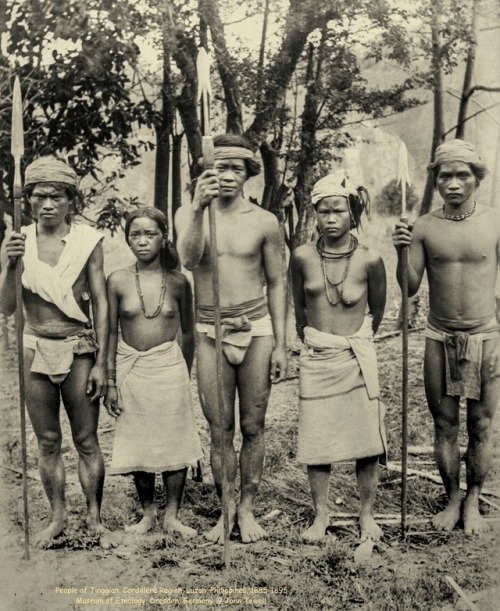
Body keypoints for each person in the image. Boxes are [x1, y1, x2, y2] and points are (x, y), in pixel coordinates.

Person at [175, 134, 287, 544]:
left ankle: (247, 510)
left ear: (248, 175)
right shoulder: (187, 213)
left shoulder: (264, 222)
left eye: (235, 169)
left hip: (256, 329)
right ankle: (224, 510)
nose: (226, 176)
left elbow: (277, 283)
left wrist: (281, 342)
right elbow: (189, 259)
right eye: (218, 167)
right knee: (219, 427)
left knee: (253, 425)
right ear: (206, 171)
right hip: (210, 330)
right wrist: (199, 209)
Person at [0, 156, 109, 548]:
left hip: (78, 346)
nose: (47, 204)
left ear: (70, 200)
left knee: (86, 439)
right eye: (38, 196)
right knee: (47, 441)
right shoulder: (17, 241)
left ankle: (94, 519)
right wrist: (11, 265)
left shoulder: (87, 241)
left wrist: (103, 363)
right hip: (35, 348)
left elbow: (100, 302)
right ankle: (58, 516)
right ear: (27, 200)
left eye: (56, 196)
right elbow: (8, 307)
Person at [393, 139, 500, 535]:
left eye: (462, 175)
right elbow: (409, 286)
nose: (453, 183)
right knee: (445, 423)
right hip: (439, 336)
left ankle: (474, 500)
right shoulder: (423, 226)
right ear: (436, 180)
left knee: (482, 424)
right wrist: (401, 251)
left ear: (477, 179)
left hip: (486, 334)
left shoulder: (494, 221)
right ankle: (453, 497)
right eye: (445, 176)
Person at [292, 170, 387, 543]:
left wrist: (354, 342)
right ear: (314, 214)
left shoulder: (370, 259)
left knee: (366, 440)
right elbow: (299, 307)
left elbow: (377, 311)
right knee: (318, 440)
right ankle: (321, 515)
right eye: (323, 211)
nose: (331, 219)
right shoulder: (301, 257)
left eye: (338, 211)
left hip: (355, 355)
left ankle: (367, 515)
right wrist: (314, 341)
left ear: (353, 215)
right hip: (317, 356)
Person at [104, 207, 203, 537]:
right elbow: (110, 332)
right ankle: (148, 514)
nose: (143, 241)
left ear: (164, 238)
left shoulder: (178, 281)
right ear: (127, 238)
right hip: (131, 367)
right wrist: (111, 381)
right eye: (135, 234)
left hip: (169, 367)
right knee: (138, 440)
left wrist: (182, 372)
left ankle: (172, 515)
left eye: (150, 234)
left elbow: (188, 331)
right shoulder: (117, 279)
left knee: (174, 439)